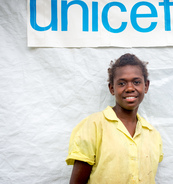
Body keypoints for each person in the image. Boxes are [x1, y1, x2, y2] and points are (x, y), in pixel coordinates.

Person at [66, 53, 163, 184]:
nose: (129, 88)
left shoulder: (153, 135)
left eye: (136, 82)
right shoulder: (93, 126)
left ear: (146, 86)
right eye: (122, 83)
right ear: (112, 88)